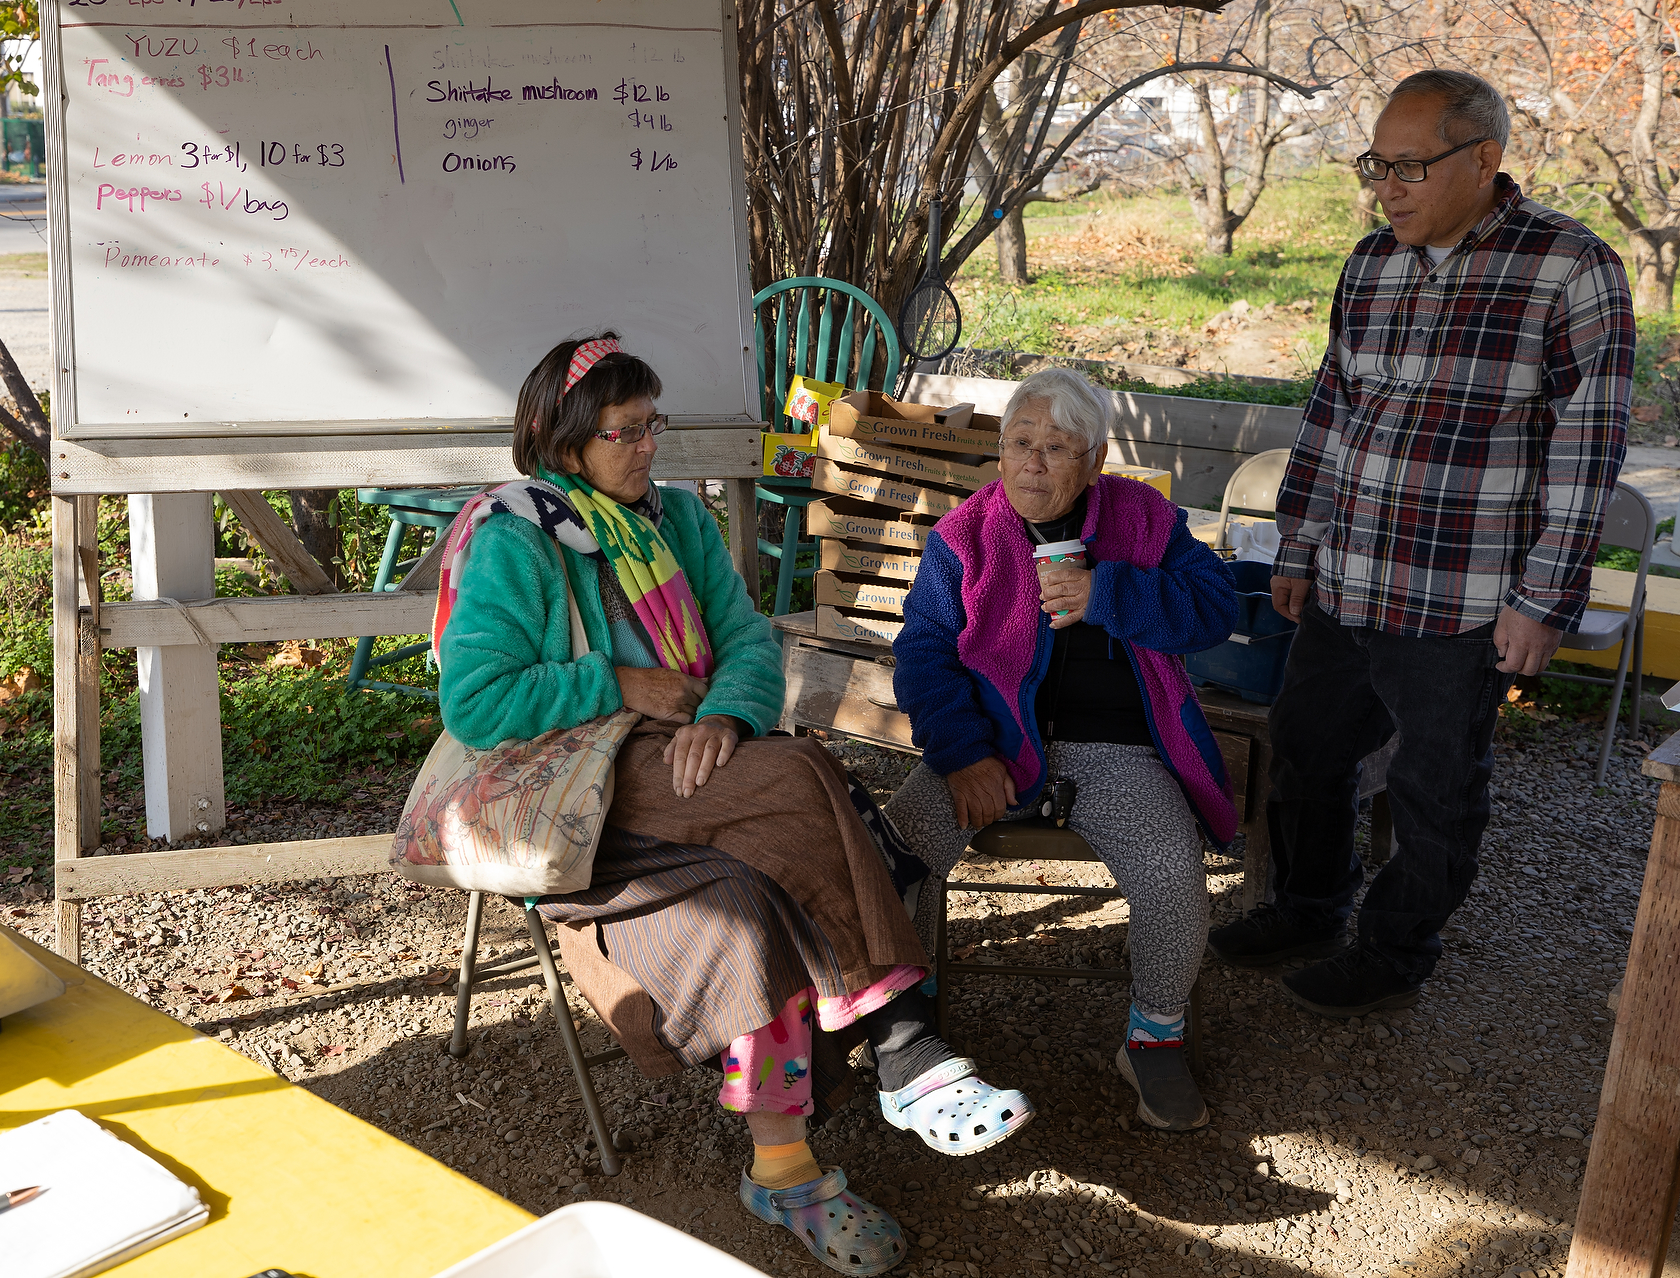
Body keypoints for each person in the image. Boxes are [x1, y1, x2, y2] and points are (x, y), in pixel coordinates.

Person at [432, 333, 1035, 1276]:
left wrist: (725, 711)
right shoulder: (519, 536)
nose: (646, 447)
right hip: (585, 793)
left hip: (692, 772)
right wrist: (620, 685)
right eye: (622, 432)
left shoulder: (677, 520)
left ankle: (782, 1172)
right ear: (565, 444)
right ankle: (902, 1042)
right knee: (805, 776)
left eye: (651, 425)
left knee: (750, 896)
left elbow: (748, 641)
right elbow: (476, 703)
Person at [1207, 69, 1635, 1017]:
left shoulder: (1572, 268)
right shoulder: (1370, 264)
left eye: (1408, 166)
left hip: (1462, 602)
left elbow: (1587, 450)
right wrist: (1298, 546)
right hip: (1346, 583)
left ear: (1484, 160)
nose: (1385, 188)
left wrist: (1543, 601)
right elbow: (1328, 413)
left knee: (1435, 788)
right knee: (1307, 754)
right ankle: (1310, 905)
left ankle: (1395, 953)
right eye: (1376, 165)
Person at [884, 367, 1240, 1132]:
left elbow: (1217, 608)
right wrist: (962, 753)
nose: (1033, 463)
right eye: (1020, 443)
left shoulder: (1143, 520)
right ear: (1000, 451)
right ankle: (903, 1027)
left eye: (1056, 447)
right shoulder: (964, 537)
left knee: (1174, 874)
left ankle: (1153, 1035)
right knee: (894, 852)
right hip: (992, 748)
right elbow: (922, 655)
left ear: (1097, 458)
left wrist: (1106, 593)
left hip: (1117, 752)